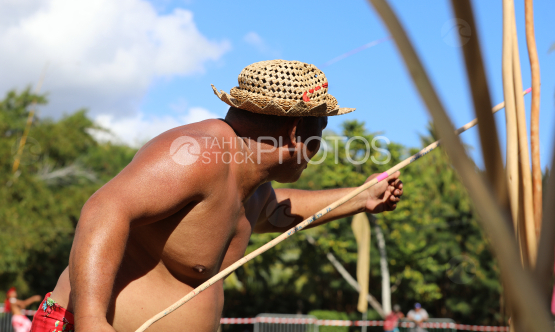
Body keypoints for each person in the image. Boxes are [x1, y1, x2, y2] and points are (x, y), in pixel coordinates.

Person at [31, 60, 404, 332]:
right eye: (319, 131)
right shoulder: (198, 153)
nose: (318, 148)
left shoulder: (252, 188)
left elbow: (278, 213)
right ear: (294, 133)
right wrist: (94, 322)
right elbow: (104, 208)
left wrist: (361, 197)